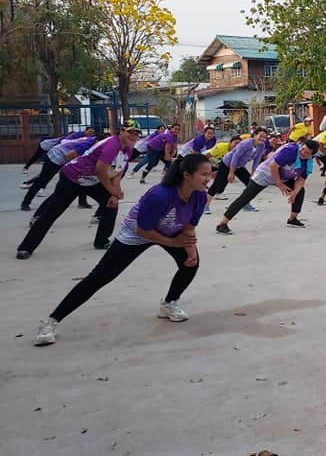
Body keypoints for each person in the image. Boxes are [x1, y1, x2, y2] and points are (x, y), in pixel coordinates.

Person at [32, 154, 212, 346]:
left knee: (190, 265)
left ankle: (169, 304)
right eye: (204, 174)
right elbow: (144, 230)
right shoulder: (160, 195)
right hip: (137, 233)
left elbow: (189, 227)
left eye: (210, 174)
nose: (209, 178)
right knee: (99, 277)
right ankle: (51, 321)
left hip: (171, 230)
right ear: (186, 175)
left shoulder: (199, 195)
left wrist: (191, 252)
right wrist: (172, 242)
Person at [16, 125, 141, 260]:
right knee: (52, 212)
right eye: (130, 132)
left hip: (90, 181)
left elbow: (117, 172)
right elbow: (100, 169)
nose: (133, 136)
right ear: (121, 131)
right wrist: (111, 190)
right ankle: (25, 248)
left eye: (136, 134)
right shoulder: (112, 144)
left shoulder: (127, 150)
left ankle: (101, 241)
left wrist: (115, 194)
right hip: (72, 178)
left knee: (111, 205)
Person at [216, 139, 320, 234]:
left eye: (307, 153)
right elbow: (273, 166)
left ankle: (293, 219)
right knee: (246, 197)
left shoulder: (308, 163)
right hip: (265, 173)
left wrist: (294, 194)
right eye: (303, 149)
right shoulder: (291, 151)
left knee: (300, 191)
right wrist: (279, 184)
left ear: (311, 155)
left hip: (283, 176)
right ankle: (222, 224)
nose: (303, 153)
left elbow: (301, 180)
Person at [21, 133, 103, 211]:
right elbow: (69, 156)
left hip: (62, 156)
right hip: (55, 157)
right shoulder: (87, 145)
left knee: (82, 179)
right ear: (98, 141)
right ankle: (26, 202)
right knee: (42, 181)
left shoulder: (92, 140)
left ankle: (82, 202)